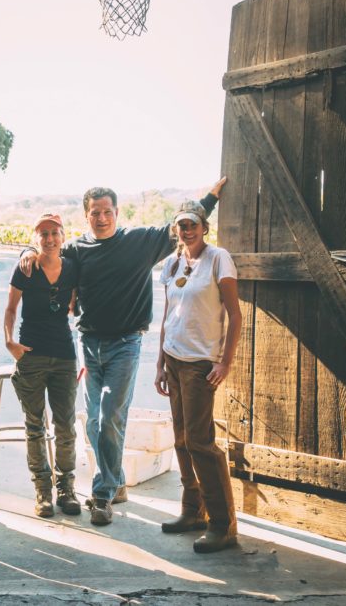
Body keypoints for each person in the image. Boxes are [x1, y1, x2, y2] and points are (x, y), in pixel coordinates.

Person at [20, 177, 226, 526]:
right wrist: (28, 251)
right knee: (94, 421)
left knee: (111, 417)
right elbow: (47, 250)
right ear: (86, 216)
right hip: (89, 343)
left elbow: (180, 224)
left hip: (126, 344)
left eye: (107, 212)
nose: (101, 218)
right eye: (94, 213)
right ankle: (115, 482)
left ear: (117, 212)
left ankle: (102, 495)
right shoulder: (77, 250)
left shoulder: (139, 242)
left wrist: (211, 197)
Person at [154, 199, 241, 553]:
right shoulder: (173, 263)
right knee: (180, 439)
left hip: (199, 363)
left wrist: (224, 362)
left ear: (204, 227)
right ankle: (193, 511)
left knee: (200, 442)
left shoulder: (218, 259)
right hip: (174, 360)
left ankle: (223, 525)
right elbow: (168, 316)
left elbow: (235, 316)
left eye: (193, 224)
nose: (187, 230)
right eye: (182, 225)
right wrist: (160, 364)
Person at [3, 213, 81, 518]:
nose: (49, 239)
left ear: (63, 236)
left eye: (54, 233)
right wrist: (9, 342)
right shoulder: (26, 268)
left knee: (66, 427)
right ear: (36, 238)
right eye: (43, 234)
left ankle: (67, 488)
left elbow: (76, 304)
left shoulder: (72, 267)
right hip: (31, 354)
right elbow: (11, 309)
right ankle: (42, 491)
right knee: (35, 425)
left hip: (64, 355)